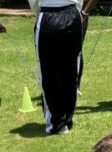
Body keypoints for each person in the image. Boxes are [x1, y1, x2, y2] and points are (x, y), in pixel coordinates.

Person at [33, 0, 97, 134]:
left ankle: (57, 122)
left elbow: (33, 2)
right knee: (71, 70)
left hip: (48, 14)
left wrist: (37, 13)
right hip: (72, 14)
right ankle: (67, 118)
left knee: (48, 71)